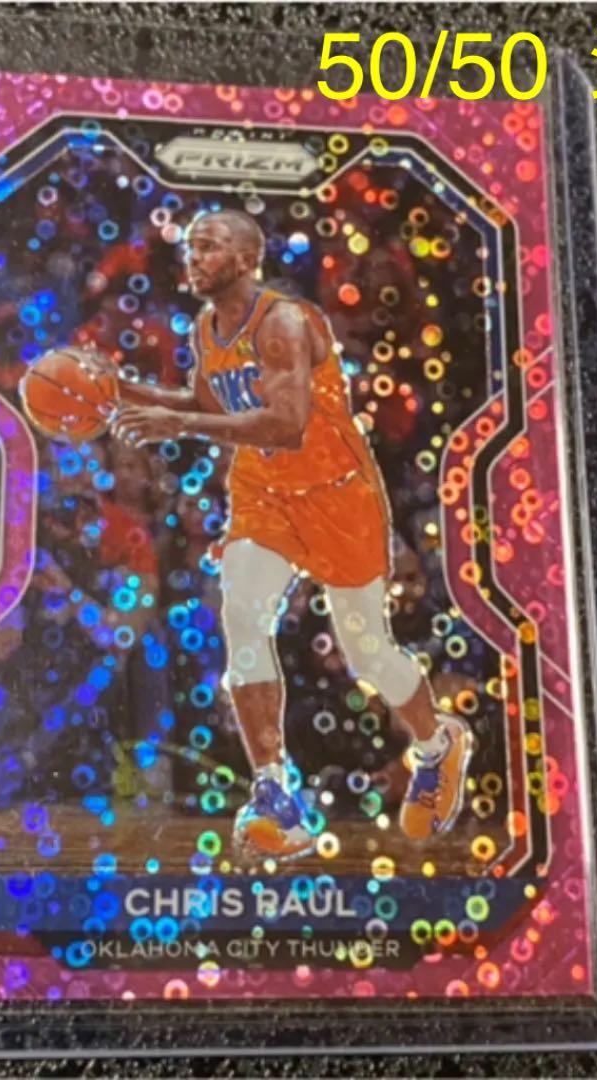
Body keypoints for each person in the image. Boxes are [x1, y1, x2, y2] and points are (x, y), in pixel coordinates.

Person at [87, 208, 475, 858]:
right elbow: (210, 405)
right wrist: (125, 391)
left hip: (336, 494)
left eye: (209, 247)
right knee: (241, 618)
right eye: (191, 247)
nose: (194, 257)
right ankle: (274, 793)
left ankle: (438, 744)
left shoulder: (284, 323)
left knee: (367, 653)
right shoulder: (207, 327)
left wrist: (181, 426)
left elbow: (287, 424)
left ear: (246, 259)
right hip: (264, 493)